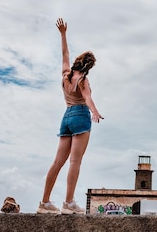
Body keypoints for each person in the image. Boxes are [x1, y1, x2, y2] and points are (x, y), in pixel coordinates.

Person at [37, 18, 104, 215]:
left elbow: (64, 53)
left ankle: (45, 202)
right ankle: (68, 203)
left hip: (66, 117)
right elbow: (87, 97)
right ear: (89, 67)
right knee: (75, 162)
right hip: (80, 115)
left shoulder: (65, 75)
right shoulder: (83, 80)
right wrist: (95, 111)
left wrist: (63, 34)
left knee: (57, 162)